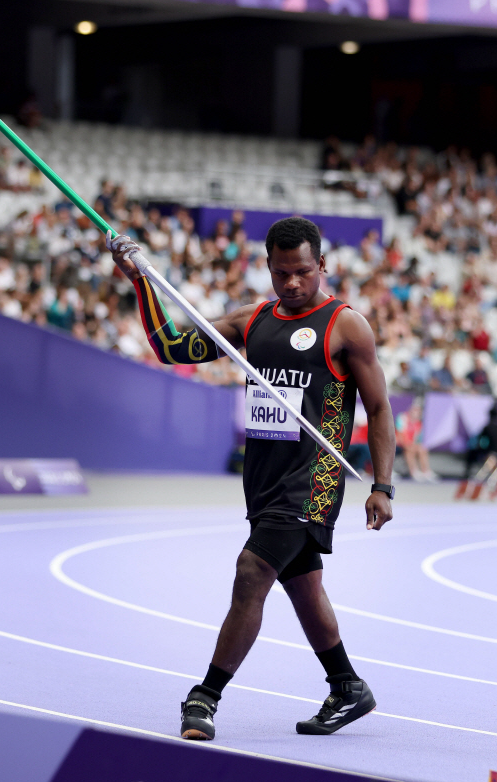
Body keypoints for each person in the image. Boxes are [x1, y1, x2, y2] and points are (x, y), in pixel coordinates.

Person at [109, 216, 395, 740]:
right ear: (268, 266)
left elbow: (378, 408)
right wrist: (140, 282)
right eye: (282, 273)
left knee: (251, 572)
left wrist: (383, 485)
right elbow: (172, 348)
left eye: (303, 272)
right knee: (304, 587)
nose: (292, 283)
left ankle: (204, 697)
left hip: (314, 481)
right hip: (264, 482)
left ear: (322, 266)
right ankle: (347, 685)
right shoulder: (251, 320)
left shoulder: (346, 326)